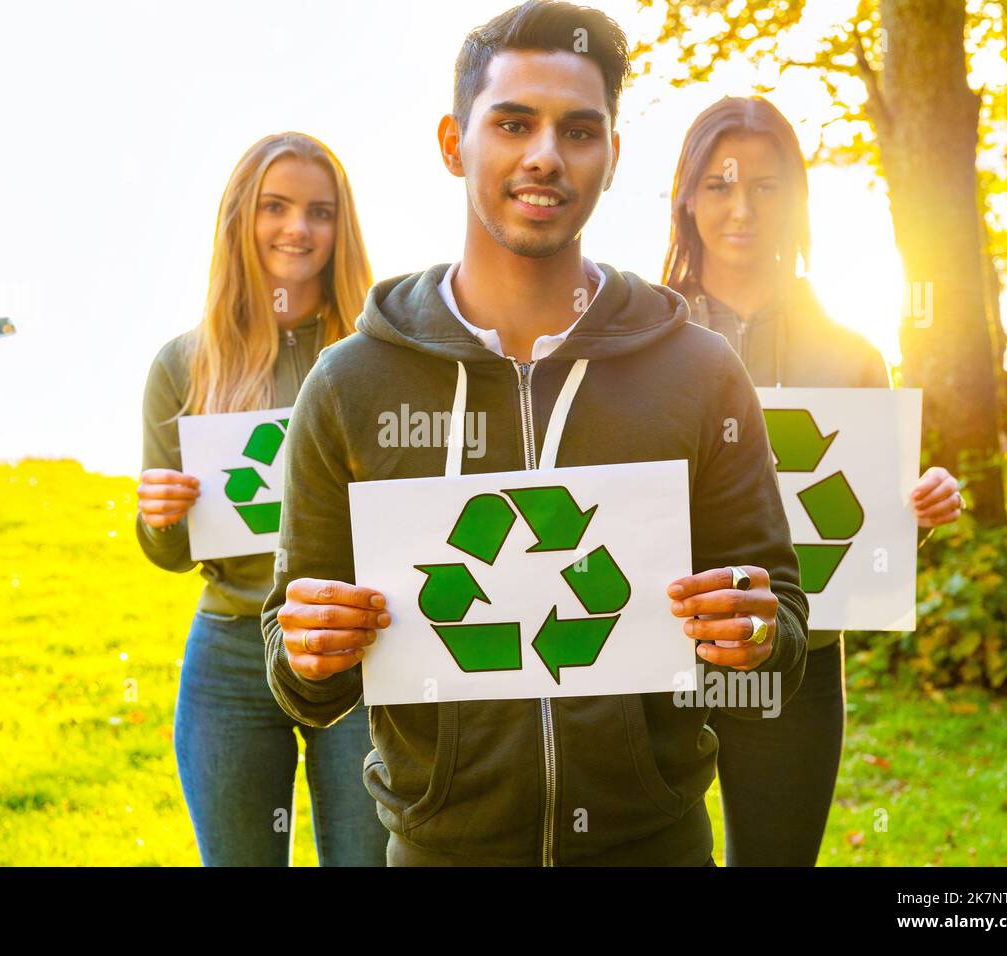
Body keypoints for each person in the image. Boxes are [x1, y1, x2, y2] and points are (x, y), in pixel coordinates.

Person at [262, 1, 809, 867]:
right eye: (513, 123)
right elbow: (298, 679)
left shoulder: (701, 372)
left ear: (613, 157)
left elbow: (782, 620)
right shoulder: (350, 384)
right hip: (439, 850)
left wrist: (757, 628)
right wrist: (308, 650)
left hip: (655, 846)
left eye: (580, 130)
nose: (546, 155)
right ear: (454, 143)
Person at [662, 95, 965, 866]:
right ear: (688, 197)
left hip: (792, 666)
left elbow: (868, 532)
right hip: (650, 653)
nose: (742, 208)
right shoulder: (635, 338)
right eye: (722, 184)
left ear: (797, 201)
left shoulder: (853, 355)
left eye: (766, 186)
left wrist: (916, 510)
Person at [135, 131, 387, 866]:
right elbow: (173, 555)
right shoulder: (185, 364)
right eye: (275, 207)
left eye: (320, 210)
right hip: (230, 654)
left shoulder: (376, 356)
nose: (297, 229)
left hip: (355, 648)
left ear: (343, 227)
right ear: (240, 219)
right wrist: (159, 519)